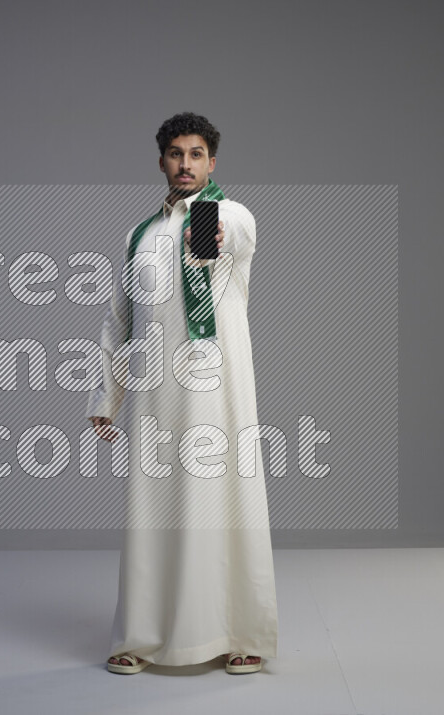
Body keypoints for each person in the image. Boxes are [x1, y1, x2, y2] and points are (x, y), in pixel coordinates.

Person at [86, 112, 278, 675]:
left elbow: (231, 234)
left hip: (217, 394)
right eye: (176, 154)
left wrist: (215, 229)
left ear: (212, 162)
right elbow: (118, 321)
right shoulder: (138, 235)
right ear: (162, 161)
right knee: (151, 512)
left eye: (196, 155)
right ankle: (140, 637)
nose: (186, 164)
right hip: (154, 396)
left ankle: (240, 635)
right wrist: (107, 397)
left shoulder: (231, 214)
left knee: (226, 507)